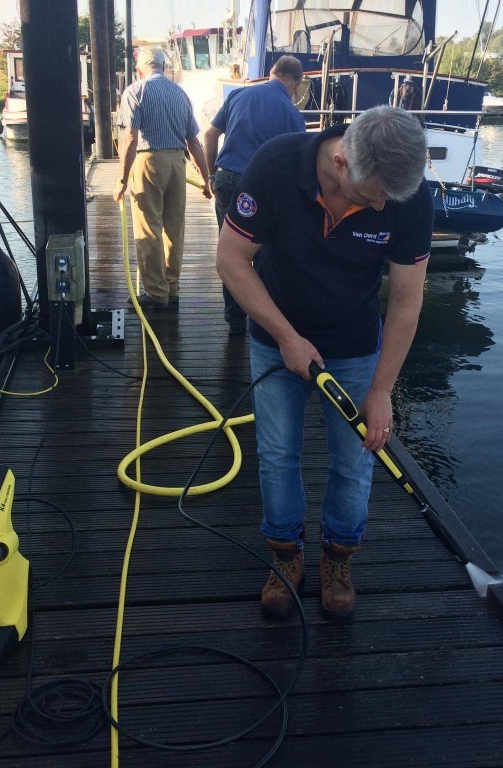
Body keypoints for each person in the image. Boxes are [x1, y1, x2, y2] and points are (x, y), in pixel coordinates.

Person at [215, 106, 433, 619]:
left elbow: (406, 301)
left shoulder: (408, 197)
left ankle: (338, 559)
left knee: (356, 460)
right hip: (276, 335)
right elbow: (231, 258)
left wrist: (382, 391)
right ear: (340, 161)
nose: (382, 205)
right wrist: (287, 337)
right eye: (373, 194)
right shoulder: (274, 165)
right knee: (277, 455)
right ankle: (285, 555)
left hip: (356, 342)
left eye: (389, 197)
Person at [203, 55, 306, 335]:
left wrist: (210, 175)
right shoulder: (292, 114)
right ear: (296, 82)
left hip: (226, 179)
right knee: (263, 254)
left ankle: (234, 320)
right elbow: (299, 162)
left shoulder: (237, 95)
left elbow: (210, 135)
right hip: (262, 188)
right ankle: (260, 321)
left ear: (272, 72)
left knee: (230, 253)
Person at [114, 46, 211, 310]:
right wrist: (206, 179)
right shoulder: (180, 93)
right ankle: (173, 287)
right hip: (178, 163)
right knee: (173, 228)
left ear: (140, 69)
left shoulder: (135, 91)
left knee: (149, 228)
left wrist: (122, 179)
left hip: (149, 161)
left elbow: (131, 138)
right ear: (164, 67)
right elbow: (194, 142)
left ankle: (156, 293)